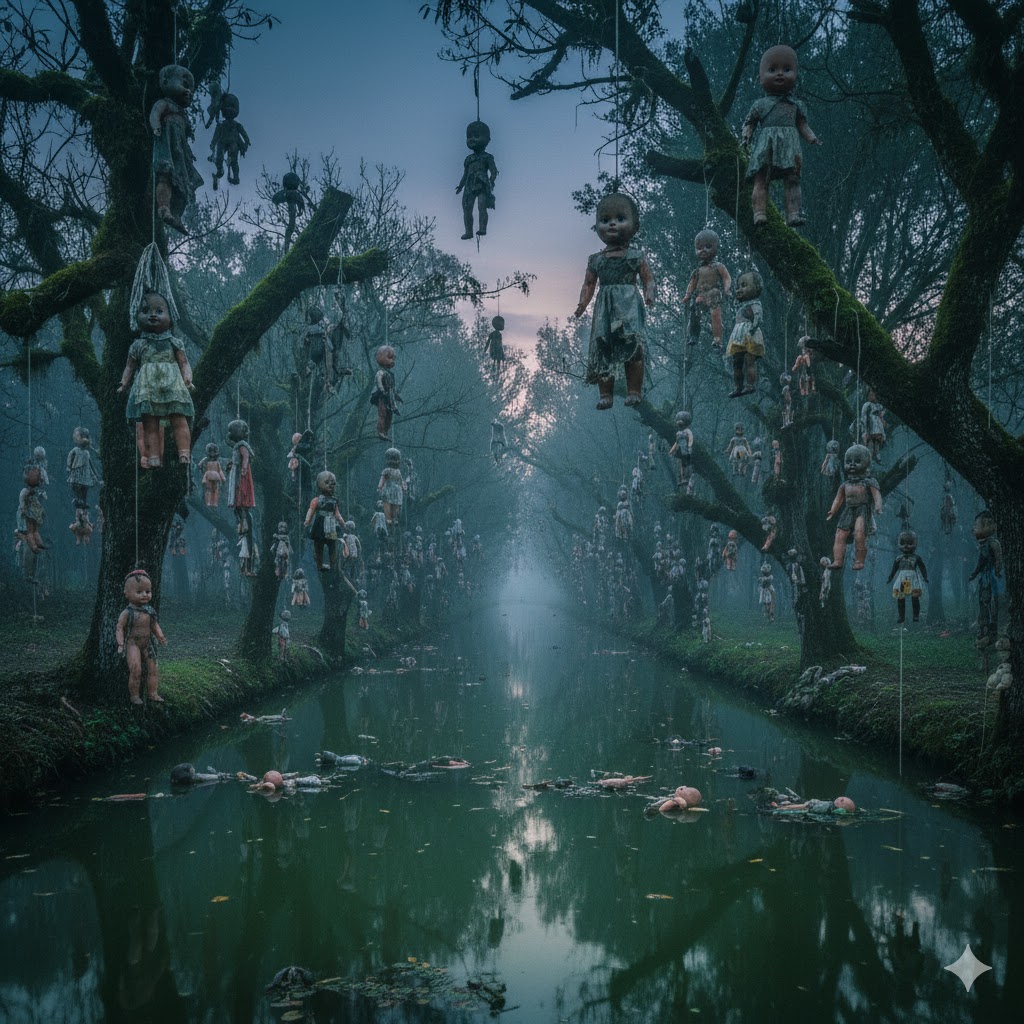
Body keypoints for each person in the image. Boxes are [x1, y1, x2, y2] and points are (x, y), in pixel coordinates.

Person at [573, 192, 654, 410]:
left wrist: (649, 293)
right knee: (603, 348)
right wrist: (582, 304)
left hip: (629, 307)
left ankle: (634, 390)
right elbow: (589, 284)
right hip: (605, 308)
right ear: (597, 226)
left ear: (635, 226)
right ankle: (605, 393)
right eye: (605, 219)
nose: (612, 224)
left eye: (620, 218)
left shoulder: (636, 256)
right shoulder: (596, 260)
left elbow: (648, 279)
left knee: (633, 346)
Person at [742, 45, 821, 226]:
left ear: (795, 74)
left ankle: (793, 214)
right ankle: (759, 212)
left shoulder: (796, 105)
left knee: (793, 179)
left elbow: (802, 124)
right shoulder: (760, 104)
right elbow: (749, 123)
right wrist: (746, 137)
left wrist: (812, 137)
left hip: (790, 145)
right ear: (760, 78)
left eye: (786, 69)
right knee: (761, 178)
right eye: (772, 70)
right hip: (766, 145)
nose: (779, 74)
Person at [118, 291, 195, 468]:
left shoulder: (174, 342)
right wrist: (124, 383)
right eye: (146, 311)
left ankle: (184, 452)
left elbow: (184, 363)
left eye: (159, 311)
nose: (153, 315)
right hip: (148, 388)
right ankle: (153, 456)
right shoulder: (138, 345)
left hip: (172, 386)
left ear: (170, 316)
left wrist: (188, 379)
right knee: (150, 423)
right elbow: (129, 366)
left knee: (178, 418)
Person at [149, 64, 203, 233]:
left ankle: (177, 216)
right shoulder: (165, 103)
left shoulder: (182, 114)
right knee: (165, 176)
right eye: (184, 84)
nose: (189, 90)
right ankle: (164, 208)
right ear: (166, 82)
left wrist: (189, 153)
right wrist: (156, 126)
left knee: (184, 183)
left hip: (180, 151)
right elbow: (155, 114)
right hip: (167, 144)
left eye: (191, 88)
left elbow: (185, 136)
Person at [827, 444, 883, 570]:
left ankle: (859, 560)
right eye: (848, 462)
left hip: (862, 510)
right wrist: (833, 510)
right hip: (848, 510)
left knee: (859, 533)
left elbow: (876, 495)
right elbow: (838, 499)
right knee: (840, 534)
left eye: (857, 461)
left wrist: (878, 506)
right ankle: (838, 560)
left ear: (866, 463)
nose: (852, 465)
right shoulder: (845, 484)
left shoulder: (868, 482)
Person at [116, 569, 166, 705]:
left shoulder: (149, 611)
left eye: (147, 591)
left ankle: (152, 693)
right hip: (133, 643)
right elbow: (119, 627)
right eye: (139, 592)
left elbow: (154, 624)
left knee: (153, 668)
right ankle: (134, 695)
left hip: (147, 643)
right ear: (127, 593)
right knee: (135, 669)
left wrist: (160, 636)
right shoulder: (127, 612)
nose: (144, 595)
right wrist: (120, 643)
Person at [682, 229, 731, 348]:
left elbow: (726, 277)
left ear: (716, 247)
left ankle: (718, 338)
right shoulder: (697, 270)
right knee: (695, 312)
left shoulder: (718, 266)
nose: (703, 250)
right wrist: (687, 295)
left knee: (715, 315)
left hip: (713, 293)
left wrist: (727, 289)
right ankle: (693, 336)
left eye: (708, 246)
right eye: (699, 248)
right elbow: (692, 284)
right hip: (701, 295)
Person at [456, 120, 498, 239]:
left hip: (482, 183)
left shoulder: (487, 157)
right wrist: (461, 186)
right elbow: (465, 174)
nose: (472, 139)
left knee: (481, 206)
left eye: (476, 136)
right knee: (467, 208)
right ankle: (468, 231)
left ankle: (482, 228)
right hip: (469, 184)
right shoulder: (468, 159)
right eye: (469, 136)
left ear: (487, 139)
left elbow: (494, 170)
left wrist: (492, 180)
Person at [725, 270, 764, 395]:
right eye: (738, 287)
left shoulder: (755, 304)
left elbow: (758, 317)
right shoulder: (740, 305)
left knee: (749, 360)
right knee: (736, 362)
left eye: (744, 285)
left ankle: (750, 385)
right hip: (738, 335)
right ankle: (738, 387)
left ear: (756, 288)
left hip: (749, 334)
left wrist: (753, 327)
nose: (739, 289)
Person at [304, 470, 345, 571]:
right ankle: (320, 564)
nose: (330, 485)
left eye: (333, 483)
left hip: (331, 525)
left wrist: (342, 523)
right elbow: (311, 510)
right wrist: (307, 520)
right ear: (319, 485)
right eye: (327, 482)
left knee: (332, 545)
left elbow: (337, 514)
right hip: (320, 525)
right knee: (318, 545)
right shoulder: (316, 500)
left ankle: (333, 564)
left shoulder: (334, 501)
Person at [208, 92, 249, 188]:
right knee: (221, 158)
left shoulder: (235, 125)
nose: (229, 110)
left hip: (232, 143)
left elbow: (244, 134)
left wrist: (246, 142)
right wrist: (213, 144)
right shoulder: (222, 125)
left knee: (233, 160)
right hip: (224, 143)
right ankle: (220, 171)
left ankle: (234, 176)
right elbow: (216, 136)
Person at [887, 530, 928, 623]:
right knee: (901, 597)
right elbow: (894, 570)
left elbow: (922, 568)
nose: (906, 546)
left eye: (909, 543)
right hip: (902, 579)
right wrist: (890, 578)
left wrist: (925, 577)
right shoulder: (899, 559)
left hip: (913, 579)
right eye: (903, 543)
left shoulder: (916, 558)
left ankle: (916, 616)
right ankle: (901, 616)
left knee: (915, 597)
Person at [377, 447, 406, 526]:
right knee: (388, 504)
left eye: (395, 460)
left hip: (395, 491)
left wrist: (403, 487)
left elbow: (401, 480)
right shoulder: (388, 470)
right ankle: (389, 518)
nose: (393, 462)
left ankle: (393, 518)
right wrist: (380, 486)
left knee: (394, 505)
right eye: (391, 459)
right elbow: (383, 478)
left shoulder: (397, 471)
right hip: (390, 490)